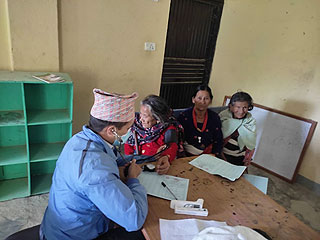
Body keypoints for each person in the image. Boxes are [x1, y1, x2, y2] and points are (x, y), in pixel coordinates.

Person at [40, 89, 148, 240]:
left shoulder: (79, 140)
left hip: (58, 226)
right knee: (143, 231)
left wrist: (147, 158)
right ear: (112, 130)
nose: (129, 132)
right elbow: (134, 220)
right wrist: (133, 179)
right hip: (70, 236)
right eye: (128, 128)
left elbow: (110, 157)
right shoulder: (94, 169)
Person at [124, 95, 183, 175]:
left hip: (155, 167)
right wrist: (129, 162)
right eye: (141, 114)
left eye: (145, 116)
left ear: (157, 118)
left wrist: (166, 157)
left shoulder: (168, 129)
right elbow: (128, 148)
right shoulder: (136, 125)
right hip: (136, 166)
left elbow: (172, 147)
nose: (141, 119)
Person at [177, 84, 223, 156]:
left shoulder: (214, 117)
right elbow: (178, 139)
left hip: (209, 155)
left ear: (210, 100)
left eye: (206, 98)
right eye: (199, 98)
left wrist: (215, 154)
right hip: (186, 156)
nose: (203, 102)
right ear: (193, 99)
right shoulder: (184, 116)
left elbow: (218, 139)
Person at [219, 91, 256, 166]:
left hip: (240, 158)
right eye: (238, 107)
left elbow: (250, 143)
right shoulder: (223, 117)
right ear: (231, 106)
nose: (241, 111)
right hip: (221, 156)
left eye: (245, 107)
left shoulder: (250, 121)